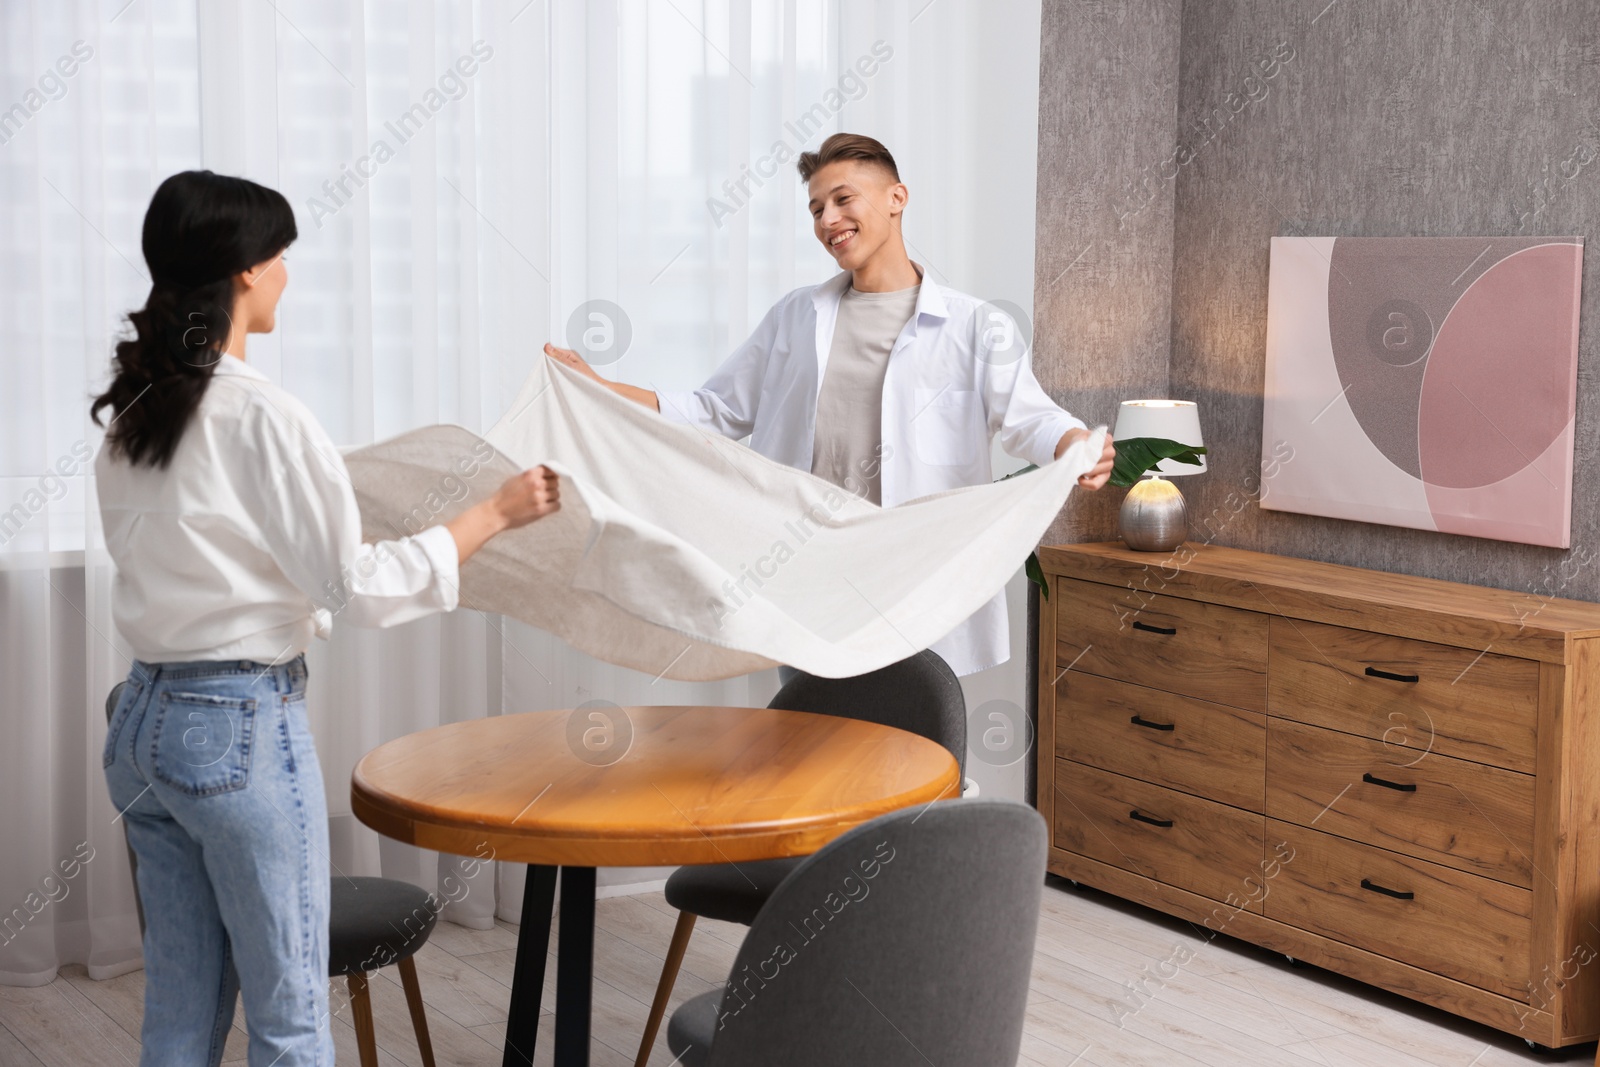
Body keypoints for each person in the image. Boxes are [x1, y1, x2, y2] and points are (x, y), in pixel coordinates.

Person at [93, 170, 560, 1067]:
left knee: (180, 1015)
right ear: (242, 274)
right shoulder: (263, 413)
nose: (285, 276)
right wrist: (490, 515)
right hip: (235, 729)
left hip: (141, 724)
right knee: (291, 1015)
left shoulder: (135, 413)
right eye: (279, 258)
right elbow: (358, 585)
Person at [545, 132, 1114, 677]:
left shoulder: (974, 325)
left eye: (843, 200)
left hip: (911, 573)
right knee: (808, 743)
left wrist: (1074, 446)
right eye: (816, 209)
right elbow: (713, 409)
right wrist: (597, 385)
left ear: (897, 199)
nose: (828, 221)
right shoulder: (797, 316)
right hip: (808, 574)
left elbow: (1029, 418)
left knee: (914, 740)